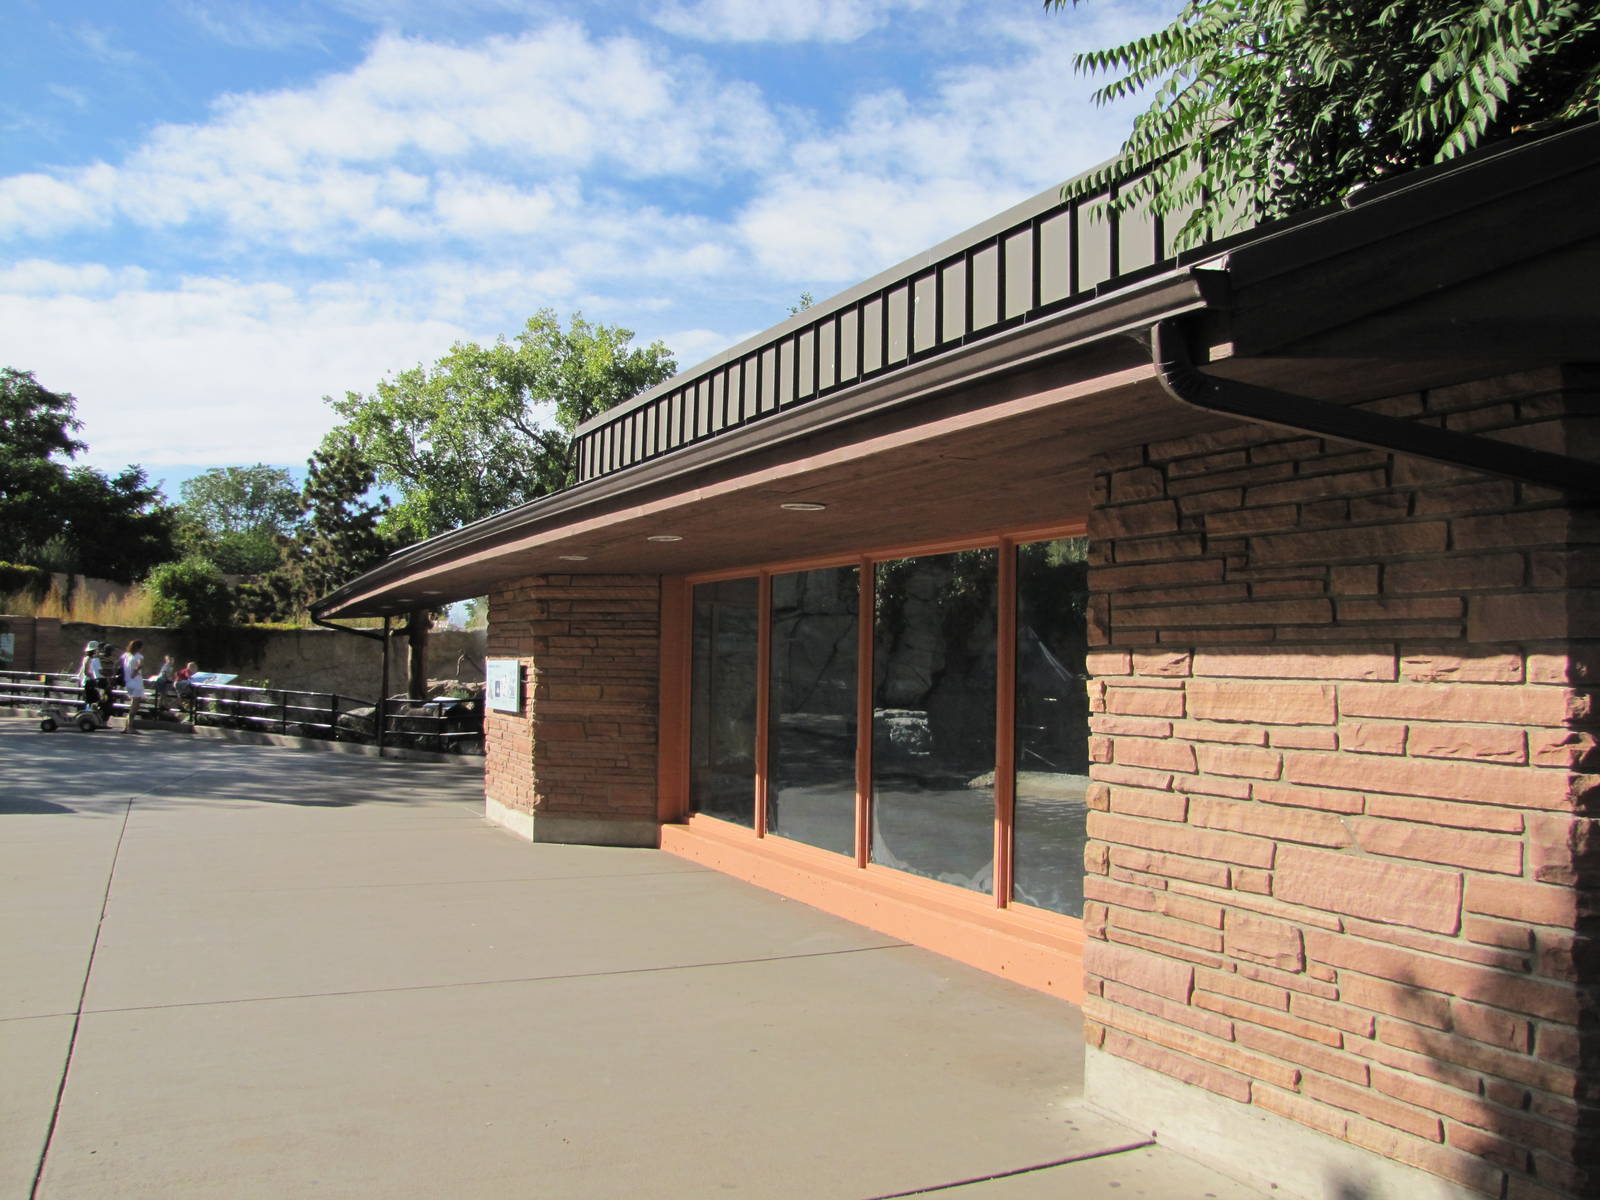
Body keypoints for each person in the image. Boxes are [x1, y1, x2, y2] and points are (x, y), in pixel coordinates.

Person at [120, 639, 146, 733]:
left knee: (131, 705)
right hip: (136, 681)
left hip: (128, 683)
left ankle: (126, 726)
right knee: (135, 706)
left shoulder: (126, 655)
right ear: (139, 647)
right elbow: (141, 664)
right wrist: (135, 671)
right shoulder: (139, 656)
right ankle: (130, 727)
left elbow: (118, 663)